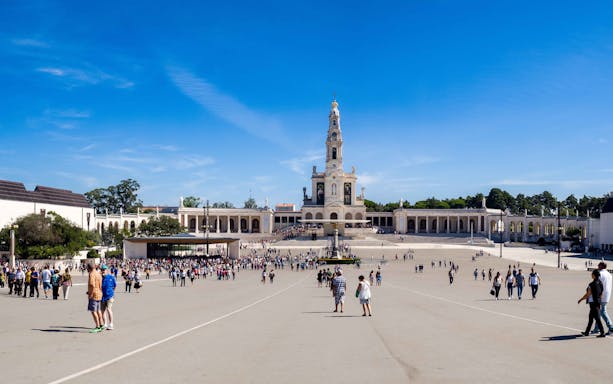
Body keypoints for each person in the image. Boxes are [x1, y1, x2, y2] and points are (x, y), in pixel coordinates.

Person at [578, 270, 606, 337]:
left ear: (594, 275)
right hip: (598, 302)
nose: (591, 275)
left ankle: (602, 333)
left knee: (597, 318)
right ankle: (587, 332)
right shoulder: (600, 283)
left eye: (592, 274)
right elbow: (601, 293)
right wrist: (599, 301)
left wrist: (581, 299)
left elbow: (588, 294)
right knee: (591, 318)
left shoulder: (591, 284)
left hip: (593, 304)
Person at [592, 262, 613, 335]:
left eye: (598, 265)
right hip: (607, 294)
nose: (597, 266)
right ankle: (596, 329)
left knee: (602, 311)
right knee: (599, 312)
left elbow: (598, 285)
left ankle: (611, 327)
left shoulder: (600, 274)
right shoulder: (609, 274)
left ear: (601, 266)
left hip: (601, 295)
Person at [87, 264, 104, 333]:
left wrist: (90, 293)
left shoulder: (92, 274)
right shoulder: (98, 273)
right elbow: (100, 284)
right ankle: (101, 324)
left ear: (89, 268)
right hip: (99, 293)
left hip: (94, 294)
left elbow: (92, 284)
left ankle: (97, 326)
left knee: (93, 311)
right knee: (98, 310)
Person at [101, 265, 116, 330]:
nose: (103, 271)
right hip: (102, 296)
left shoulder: (111, 277)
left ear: (107, 270)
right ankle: (105, 324)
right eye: (102, 270)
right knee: (102, 311)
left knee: (109, 309)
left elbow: (114, 286)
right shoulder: (100, 278)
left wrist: (112, 293)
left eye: (104, 269)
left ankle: (111, 324)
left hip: (110, 296)